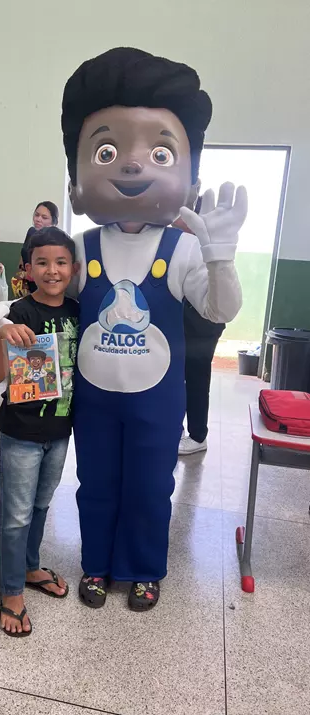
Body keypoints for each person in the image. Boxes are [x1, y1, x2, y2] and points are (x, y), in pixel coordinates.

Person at [60, 47, 247, 611]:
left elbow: (220, 311)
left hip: (158, 399)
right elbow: (47, 302)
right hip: (94, 399)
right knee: (96, 484)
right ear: (76, 181)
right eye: (107, 151)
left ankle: (144, 568)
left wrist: (220, 256)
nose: (133, 165)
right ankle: (96, 563)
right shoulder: (79, 247)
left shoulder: (183, 248)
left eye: (161, 152)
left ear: (188, 179)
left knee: (150, 486)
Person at [0, 226, 79, 637]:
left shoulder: (78, 311)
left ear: (74, 268)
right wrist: (1, 337)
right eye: (42, 262)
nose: (52, 270)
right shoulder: (18, 314)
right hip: (20, 433)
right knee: (16, 516)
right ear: (27, 269)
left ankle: (28, 567)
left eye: (60, 262)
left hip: (59, 431)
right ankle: (9, 592)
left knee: (40, 506)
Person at [175, 197, 225, 455]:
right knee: (178, 376)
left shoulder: (206, 238)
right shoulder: (183, 239)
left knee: (195, 378)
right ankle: (178, 428)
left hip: (203, 322)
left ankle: (197, 436)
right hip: (185, 317)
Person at [19, 202, 59, 293]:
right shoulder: (31, 232)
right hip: (27, 287)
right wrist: (21, 277)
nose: (38, 219)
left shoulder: (55, 241)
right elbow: (23, 254)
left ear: (53, 222)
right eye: (36, 215)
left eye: (44, 217)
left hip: (45, 289)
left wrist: (25, 275)